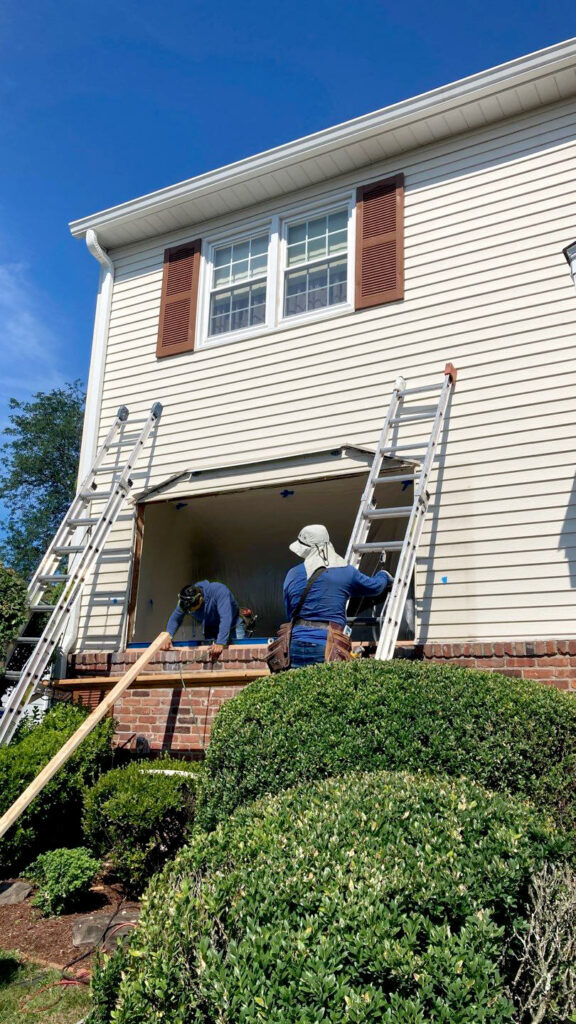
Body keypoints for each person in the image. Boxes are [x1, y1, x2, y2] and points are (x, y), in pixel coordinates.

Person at [283, 524, 392, 667]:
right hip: (327, 645)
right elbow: (375, 587)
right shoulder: (345, 572)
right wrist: (383, 576)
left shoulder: (292, 574)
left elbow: (289, 612)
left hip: (294, 645)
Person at [160, 580, 245, 662]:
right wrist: (168, 636)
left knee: (238, 656)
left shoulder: (219, 591)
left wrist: (220, 642)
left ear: (200, 600)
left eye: (191, 610)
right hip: (211, 630)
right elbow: (175, 619)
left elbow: (226, 618)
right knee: (213, 659)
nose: (190, 612)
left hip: (232, 626)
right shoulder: (186, 600)